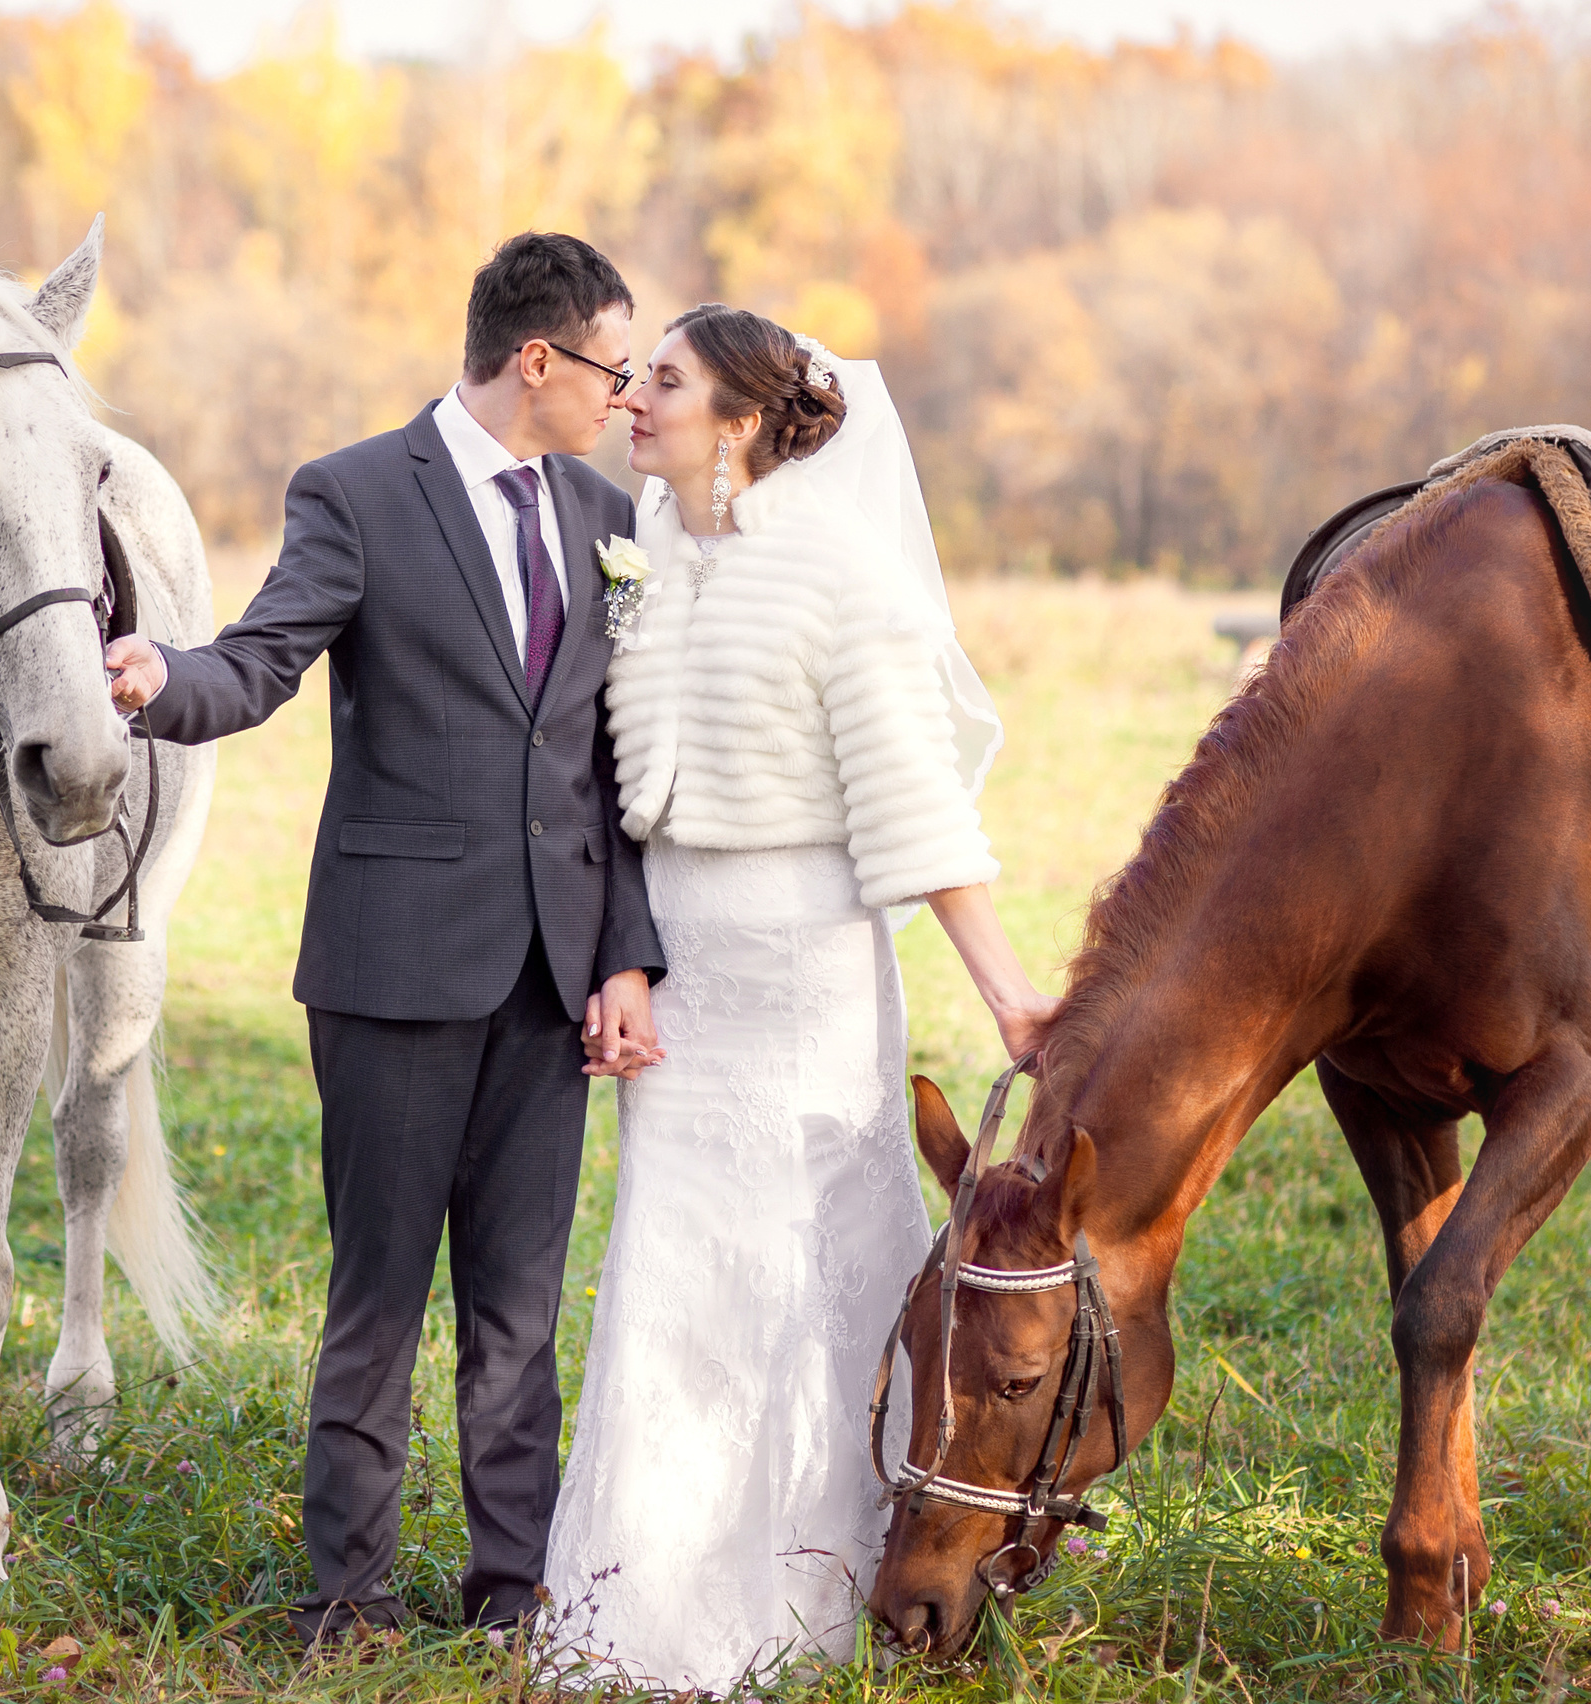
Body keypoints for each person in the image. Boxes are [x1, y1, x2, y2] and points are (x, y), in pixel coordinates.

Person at [102, 232, 669, 1644]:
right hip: (394, 965)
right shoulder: (357, 491)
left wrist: (622, 953)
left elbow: (612, 759)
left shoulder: (611, 513)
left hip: (552, 976)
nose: (622, 392)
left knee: (519, 1314)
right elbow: (265, 655)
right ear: (535, 358)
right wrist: (161, 676)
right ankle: (342, 1598)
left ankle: (510, 1593)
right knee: (377, 1302)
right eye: (609, 362)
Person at [540, 305, 1057, 1693]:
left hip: (810, 961)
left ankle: (827, 1581)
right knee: (678, 1260)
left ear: (748, 423)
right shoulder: (637, 562)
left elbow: (913, 806)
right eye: (636, 374)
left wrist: (1009, 994)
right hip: (678, 962)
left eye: (664, 381)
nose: (631, 398)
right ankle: (646, 1596)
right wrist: (618, 957)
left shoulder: (839, 579)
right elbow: (597, 796)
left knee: (812, 1257)